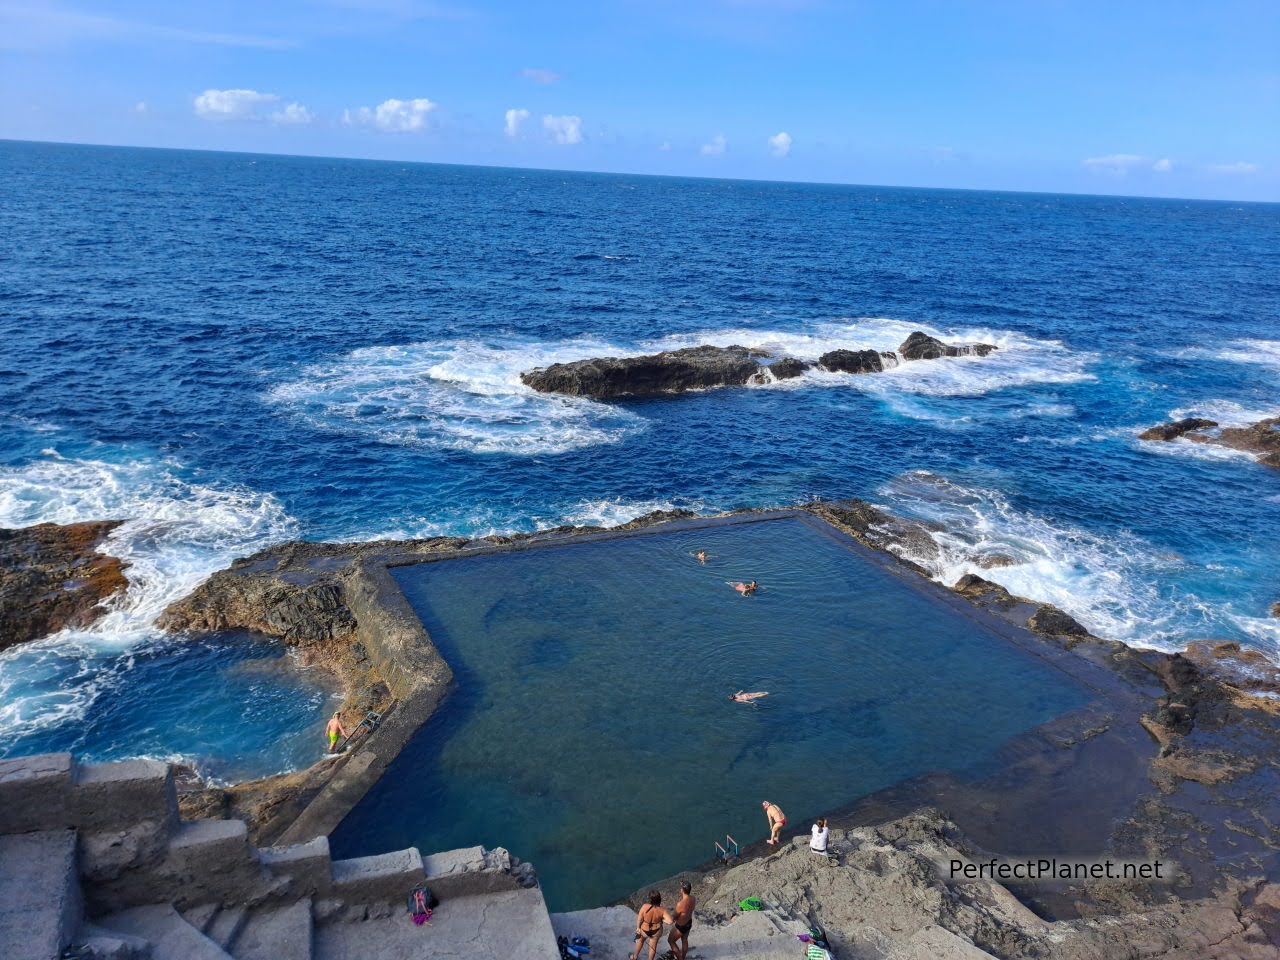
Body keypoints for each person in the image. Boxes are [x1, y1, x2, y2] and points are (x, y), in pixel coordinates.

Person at [629, 890, 673, 960]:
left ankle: (634, 957)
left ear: (650, 899)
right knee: (653, 946)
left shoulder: (644, 907)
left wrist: (638, 928)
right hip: (656, 931)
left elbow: (639, 919)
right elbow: (670, 921)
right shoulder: (662, 910)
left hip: (644, 929)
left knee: (640, 941)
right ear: (659, 899)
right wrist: (662, 919)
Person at [667, 881, 696, 960]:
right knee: (684, 940)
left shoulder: (680, 904)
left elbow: (674, 917)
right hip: (689, 923)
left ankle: (680, 958)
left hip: (680, 926)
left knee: (671, 941)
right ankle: (683, 957)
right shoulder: (693, 898)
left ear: (682, 890)